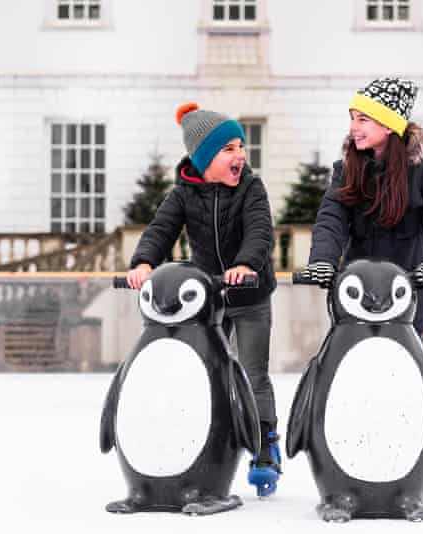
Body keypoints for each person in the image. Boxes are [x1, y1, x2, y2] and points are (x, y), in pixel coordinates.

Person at [127, 103, 282, 495]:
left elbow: (260, 231)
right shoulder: (183, 194)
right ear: (204, 158)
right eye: (228, 149)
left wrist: (247, 264)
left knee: (252, 371)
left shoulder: (251, 188)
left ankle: (265, 447)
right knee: (207, 374)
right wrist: (145, 262)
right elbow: (161, 229)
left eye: (241, 147)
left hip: (250, 295)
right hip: (210, 301)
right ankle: (211, 440)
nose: (240, 156)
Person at [305, 77, 423, 334]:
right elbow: (331, 218)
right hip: (357, 289)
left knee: (409, 365)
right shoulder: (346, 171)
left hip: (405, 291)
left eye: (362, 119)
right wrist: (323, 260)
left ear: (389, 125)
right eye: (352, 118)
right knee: (342, 360)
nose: (353, 127)